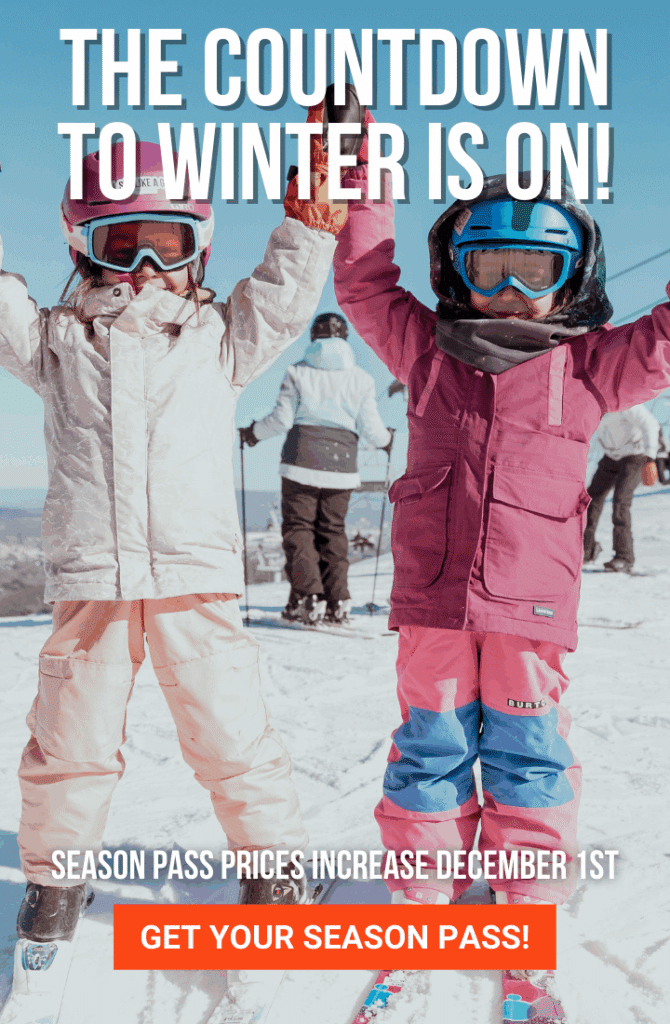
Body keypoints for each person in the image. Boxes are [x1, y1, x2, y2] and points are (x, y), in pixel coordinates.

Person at [0, 113, 347, 956]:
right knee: (70, 740)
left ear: (199, 246)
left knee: (230, 732)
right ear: (83, 246)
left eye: (167, 244)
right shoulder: (53, 339)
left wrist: (310, 221)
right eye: (124, 246)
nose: (147, 269)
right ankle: (53, 885)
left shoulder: (220, 337)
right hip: (93, 578)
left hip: (195, 574)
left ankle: (273, 876)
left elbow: (283, 290)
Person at [334, 108, 670, 910]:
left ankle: (528, 899)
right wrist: (366, 174)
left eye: (535, 271)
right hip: (435, 603)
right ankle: (422, 895)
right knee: (431, 748)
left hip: (531, 607)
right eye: (490, 271)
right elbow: (364, 282)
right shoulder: (426, 353)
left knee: (529, 751)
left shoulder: (590, 367)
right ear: (457, 272)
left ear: (572, 277)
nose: (512, 293)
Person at [240, 312, 392, 624]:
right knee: (333, 531)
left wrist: (253, 433)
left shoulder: (298, 372)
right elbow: (372, 429)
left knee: (299, 531)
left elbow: (281, 420)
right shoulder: (362, 379)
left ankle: (308, 597)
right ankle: (339, 600)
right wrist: (387, 440)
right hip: (343, 465)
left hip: (301, 460)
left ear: (314, 338)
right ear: (345, 338)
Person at [583, 404, 661, 571]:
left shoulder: (624, 401)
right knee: (590, 500)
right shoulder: (592, 406)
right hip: (611, 456)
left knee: (620, 503)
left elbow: (651, 424)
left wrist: (650, 458)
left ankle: (624, 557)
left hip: (634, 456)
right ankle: (586, 550)